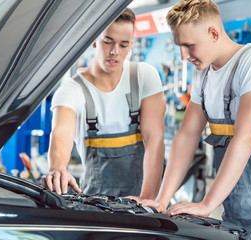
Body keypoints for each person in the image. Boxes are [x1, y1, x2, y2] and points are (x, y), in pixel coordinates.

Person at [141, 1, 251, 239]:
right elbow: (187, 136)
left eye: (189, 45)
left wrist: (205, 204)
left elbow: (245, 138)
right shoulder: (203, 74)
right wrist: (162, 199)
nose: (183, 56)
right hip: (237, 212)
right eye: (179, 46)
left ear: (213, 33)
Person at [42, 8, 166, 199]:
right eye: (108, 42)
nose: (115, 52)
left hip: (144, 198)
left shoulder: (143, 76)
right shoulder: (72, 90)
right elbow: (61, 133)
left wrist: (147, 201)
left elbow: (154, 141)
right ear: (93, 40)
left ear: (131, 45)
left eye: (124, 45)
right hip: (95, 205)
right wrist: (57, 168)